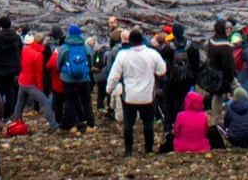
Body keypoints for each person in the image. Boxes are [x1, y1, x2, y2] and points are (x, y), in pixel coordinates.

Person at [105, 28, 166, 157]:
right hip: (147, 96)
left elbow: (114, 75)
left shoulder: (123, 55)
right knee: (148, 123)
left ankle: (128, 151)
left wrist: (109, 89)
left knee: (128, 125)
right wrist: (154, 73)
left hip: (130, 96)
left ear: (130, 41)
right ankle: (148, 149)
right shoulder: (152, 54)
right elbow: (162, 70)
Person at [10, 32, 57, 131]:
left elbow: (22, 64)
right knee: (46, 103)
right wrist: (40, 89)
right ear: (42, 42)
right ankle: (53, 125)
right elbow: (38, 74)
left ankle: (17, 122)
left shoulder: (25, 49)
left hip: (22, 80)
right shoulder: (38, 55)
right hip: (31, 83)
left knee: (20, 103)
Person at [57, 24, 94, 133]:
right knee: (86, 101)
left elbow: (59, 63)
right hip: (83, 78)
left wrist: (65, 70)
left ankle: (72, 125)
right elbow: (90, 62)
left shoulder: (64, 47)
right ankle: (90, 125)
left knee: (70, 102)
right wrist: (86, 70)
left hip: (68, 79)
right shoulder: (85, 47)